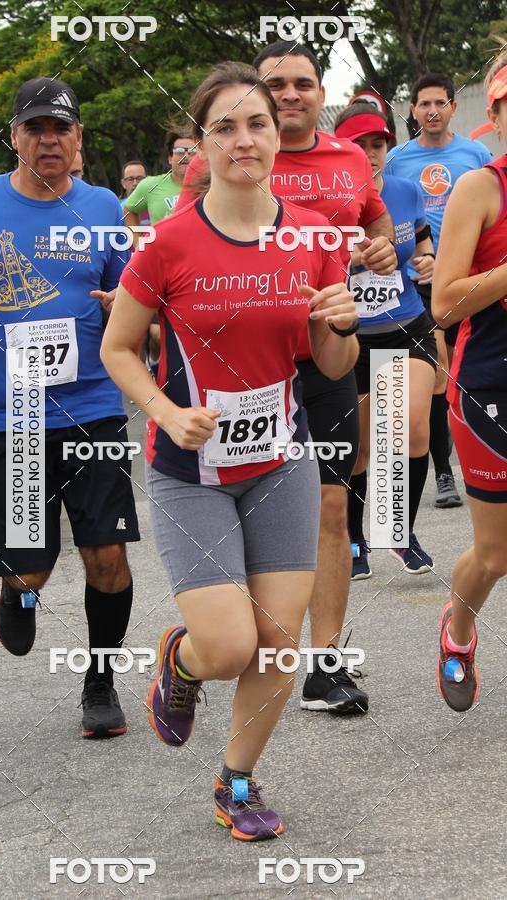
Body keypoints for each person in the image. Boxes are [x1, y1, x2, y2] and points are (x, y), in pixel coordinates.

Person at [102, 61, 359, 842]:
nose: (245, 139)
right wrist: (165, 410)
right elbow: (119, 348)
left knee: (278, 647)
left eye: (256, 123)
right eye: (226, 127)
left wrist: (339, 324)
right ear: (200, 145)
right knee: (227, 645)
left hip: (282, 460)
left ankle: (236, 781)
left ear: (275, 138)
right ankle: (181, 662)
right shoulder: (169, 243)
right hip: (192, 471)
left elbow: (333, 366)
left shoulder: (315, 236)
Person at [180, 42, 397, 714]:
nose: (293, 94)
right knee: (247, 502)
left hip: (323, 355)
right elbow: (180, 241)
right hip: (238, 364)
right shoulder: (219, 158)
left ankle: (325, 662)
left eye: (304, 83)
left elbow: (375, 225)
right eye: (279, 85)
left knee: (334, 507)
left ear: (319, 90)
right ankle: (244, 639)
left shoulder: (350, 158)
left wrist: (383, 250)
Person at [0, 77, 139, 737]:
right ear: (16, 136)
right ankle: (16, 587)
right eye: (36, 128)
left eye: (61, 129)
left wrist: (119, 308)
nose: (49, 140)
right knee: (30, 565)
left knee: (107, 556)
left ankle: (99, 680)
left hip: (94, 406)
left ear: (77, 140)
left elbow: (127, 293)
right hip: (9, 414)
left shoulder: (104, 206)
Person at [432, 53, 507, 712]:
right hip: (490, 388)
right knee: (496, 554)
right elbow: (445, 303)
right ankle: (457, 628)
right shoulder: (482, 189)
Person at [334, 103, 438, 578]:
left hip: (406, 324)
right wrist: (349, 261)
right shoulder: (327, 201)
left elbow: (419, 241)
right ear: (341, 149)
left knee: (412, 428)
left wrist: (427, 259)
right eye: (359, 146)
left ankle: (398, 531)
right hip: (350, 338)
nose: (370, 154)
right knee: (361, 448)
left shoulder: (405, 191)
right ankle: (355, 538)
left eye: (377, 144)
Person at [386, 72, 492, 510]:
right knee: (428, 379)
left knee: (466, 373)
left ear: (451, 107)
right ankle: (444, 473)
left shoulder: (475, 153)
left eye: (439, 103)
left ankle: (481, 459)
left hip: (472, 281)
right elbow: (385, 216)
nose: (431, 111)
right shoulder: (396, 160)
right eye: (423, 104)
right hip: (417, 284)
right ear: (412, 110)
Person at [123, 134, 195, 225]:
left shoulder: (211, 186)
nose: (185, 156)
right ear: (170, 158)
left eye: (192, 151)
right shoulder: (150, 185)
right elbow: (129, 210)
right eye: (179, 151)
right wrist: (136, 238)